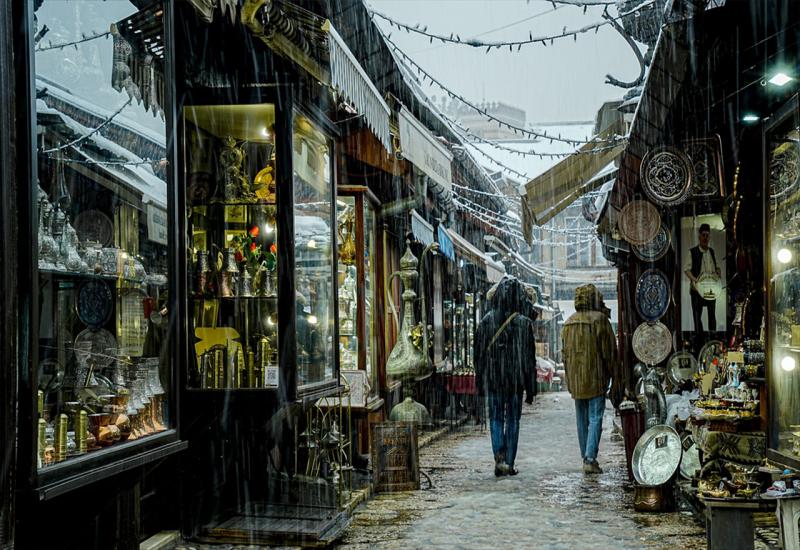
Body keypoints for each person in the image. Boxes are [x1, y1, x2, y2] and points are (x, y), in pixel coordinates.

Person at [474, 276, 537, 477]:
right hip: (515, 382)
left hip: (494, 381)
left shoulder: (486, 322)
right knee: (512, 420)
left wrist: (480, 382)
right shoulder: (524, 323)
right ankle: (509, 462)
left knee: (495, 418)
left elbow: (479, 356)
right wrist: (531, 387)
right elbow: (529, 359)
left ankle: (499, 456)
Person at [562, 284, 617, 475]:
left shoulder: (569, 322)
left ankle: (585, 455)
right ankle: (590, 458)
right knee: (595, 418)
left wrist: (570, 376)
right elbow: (609, 352)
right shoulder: (600, 320)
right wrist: (614, 375)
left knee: (581, 420)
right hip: (596, 377)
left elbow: (565, 354)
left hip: (576, 380)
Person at [683, 223, 720, 338]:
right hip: (696, 290)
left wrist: (718, 273)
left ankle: (712, 338)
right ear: (699, 236)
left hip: (711, 290)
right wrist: (695, 280)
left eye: (707, 235)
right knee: (697, 317)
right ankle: (700, 339)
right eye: (703, 235)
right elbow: (686, 269)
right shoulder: (692, 252)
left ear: (709, 237)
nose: (705, 238)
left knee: (712, 316)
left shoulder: (712, 251)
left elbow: (717, 267)